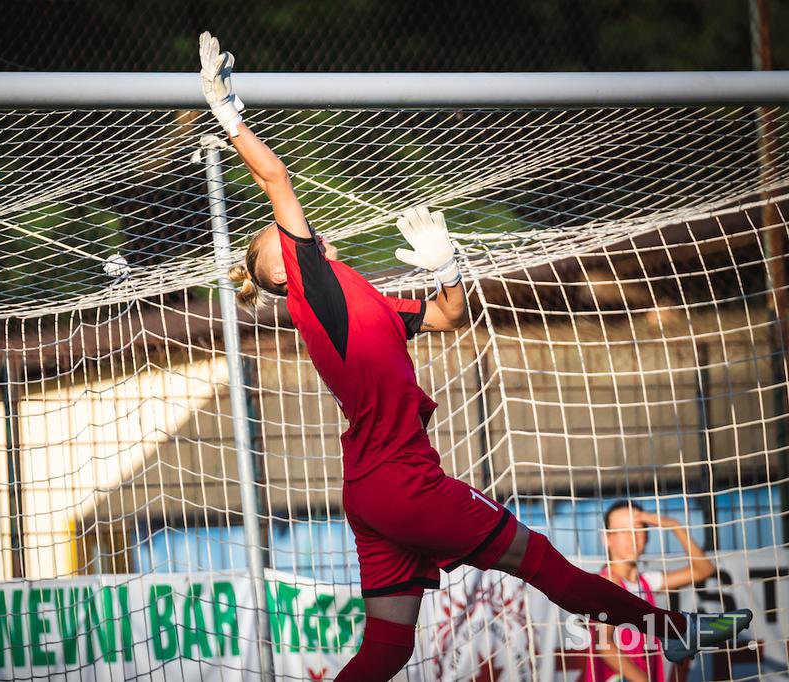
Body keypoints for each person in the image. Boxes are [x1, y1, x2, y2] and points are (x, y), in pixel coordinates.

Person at [196, 32, 752, 681]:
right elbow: (276, 177)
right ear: (287, 268)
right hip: (404, 484)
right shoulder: (314, 291)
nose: (300, 231)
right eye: (283, 241)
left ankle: (674, 627)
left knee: (388, 649)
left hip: (371, 492)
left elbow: (448, 314)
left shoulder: (360, 302)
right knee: (541, 560)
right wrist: (228, 111)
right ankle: (671, 627)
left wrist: (448, 267)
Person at [586, 501, 718, 682]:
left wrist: (674, 526)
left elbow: (704, 570)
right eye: (623, 530)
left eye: (638, 529)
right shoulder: (608, 582)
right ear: (606, 538)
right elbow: (604, 645)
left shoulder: (645, 582)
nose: (632, 537)